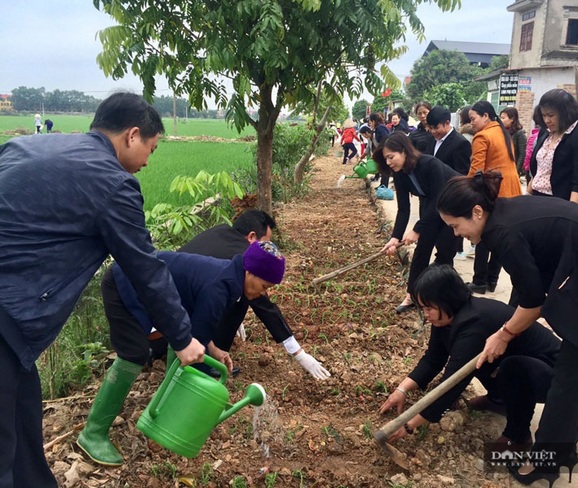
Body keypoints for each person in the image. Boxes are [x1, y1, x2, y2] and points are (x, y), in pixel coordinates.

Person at [0, 92, 204, 487]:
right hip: (7, 315)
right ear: (132, 136)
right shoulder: (114, 184)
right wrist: (183, 338)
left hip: (12, 332)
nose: (147, 161)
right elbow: (146, 268)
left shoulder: (27, 145)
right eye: (151, 148)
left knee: (22, 422)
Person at [437, 172, 578, 487]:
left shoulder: (502, 233)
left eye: (456, 226)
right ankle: (562, 453)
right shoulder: (505, 214)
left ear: (477, 213)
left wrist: (505, 333)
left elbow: (534, 301)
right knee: (575, 371)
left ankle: (545, 464)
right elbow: (530, 288)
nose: (458, 235)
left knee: (572, 373)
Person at [77, 241, 287, 466]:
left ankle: (165, 408)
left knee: (180, 340)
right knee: (134, 353)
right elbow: (192, 348)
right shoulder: (221, 286)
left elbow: (192, 333)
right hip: (125, 282)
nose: (263, 293)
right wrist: (196, 407)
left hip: (147, 289)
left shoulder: (230, 279)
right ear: (250, 271)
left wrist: (214, 349)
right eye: (264, 286)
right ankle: (93, 434)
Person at [379, 265, 559, 449]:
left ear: (446, 300)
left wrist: (409, 425)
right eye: (422, 308)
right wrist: (401, 390)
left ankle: (518, 436)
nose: (425, 314)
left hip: (552, 374)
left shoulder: (474, 324)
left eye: (429, 308)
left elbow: (453, 382)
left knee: (510, 368)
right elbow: (433, 358)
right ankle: (499, 399)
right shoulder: (445, 318)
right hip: (522, 363)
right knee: (482, 360)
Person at [178, 210, 330, 380]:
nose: (268, 250)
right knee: (244, 298)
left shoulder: (220, 233)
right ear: (251, 237)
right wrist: (299, 354)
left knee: (240, 295)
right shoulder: (246, 260)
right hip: (166, 326)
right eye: (266, 243)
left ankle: (210, 354)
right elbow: (264, 307)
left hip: (174, 304)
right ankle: (203, 364)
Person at [373, 132, 460, 314]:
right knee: (422, 251)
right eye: (386, 159)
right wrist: (395, 237)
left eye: (391, 157)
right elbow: (403, 209)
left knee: (445, 251)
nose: (389, 162)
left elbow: (438, 198)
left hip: (453, 204)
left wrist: (417, 229)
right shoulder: (399, 174)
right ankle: (413, 294)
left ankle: (445, 298)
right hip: (432, 206)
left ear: (404, 151)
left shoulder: (429, 164)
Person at [466, 101, 522, 295]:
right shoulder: (502, 131)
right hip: (512, 189)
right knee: (499, 236)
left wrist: (464, 191)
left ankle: (479, 281)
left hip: (494, 191)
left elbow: (476, 170)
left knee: (482, 234)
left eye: (473, 119)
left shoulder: (482, 136)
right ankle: (492, 280)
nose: (471, 123)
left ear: (486, 117)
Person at [528, 89, 578, 207]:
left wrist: (570, 212)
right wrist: (527, 195)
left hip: (562, 203)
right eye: (544, 115)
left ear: (566, 113)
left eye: (551, 115)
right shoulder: (545, 133)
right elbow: (540, 171)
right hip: (537, 198)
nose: (547, 120)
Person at [426, 105, 472, 261]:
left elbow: (461, 175)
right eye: (430, 128)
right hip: (432, 201)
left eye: (436, 127)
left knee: (446, 249)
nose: (433, 131)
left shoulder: (460, 143)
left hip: (449, 202)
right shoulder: (431, 141)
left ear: (446, 123)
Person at [499, 107, 527, 176]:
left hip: (512, 169)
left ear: (512, 119)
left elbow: (522, 154)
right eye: (501, 118)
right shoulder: (500, 132)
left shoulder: (519, 134)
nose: (501, 120)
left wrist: (517, 171)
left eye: (503, 118)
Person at [368, 112, 391, 186]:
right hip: (384, 149)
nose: (370, 124)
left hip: (387, 149)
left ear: (374, 121)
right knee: (383, 167)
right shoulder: (377, 129)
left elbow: (385, 138)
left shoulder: (381, 128)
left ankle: (384, 186)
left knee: (384, 168)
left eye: (370, 122)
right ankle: (382, 185)